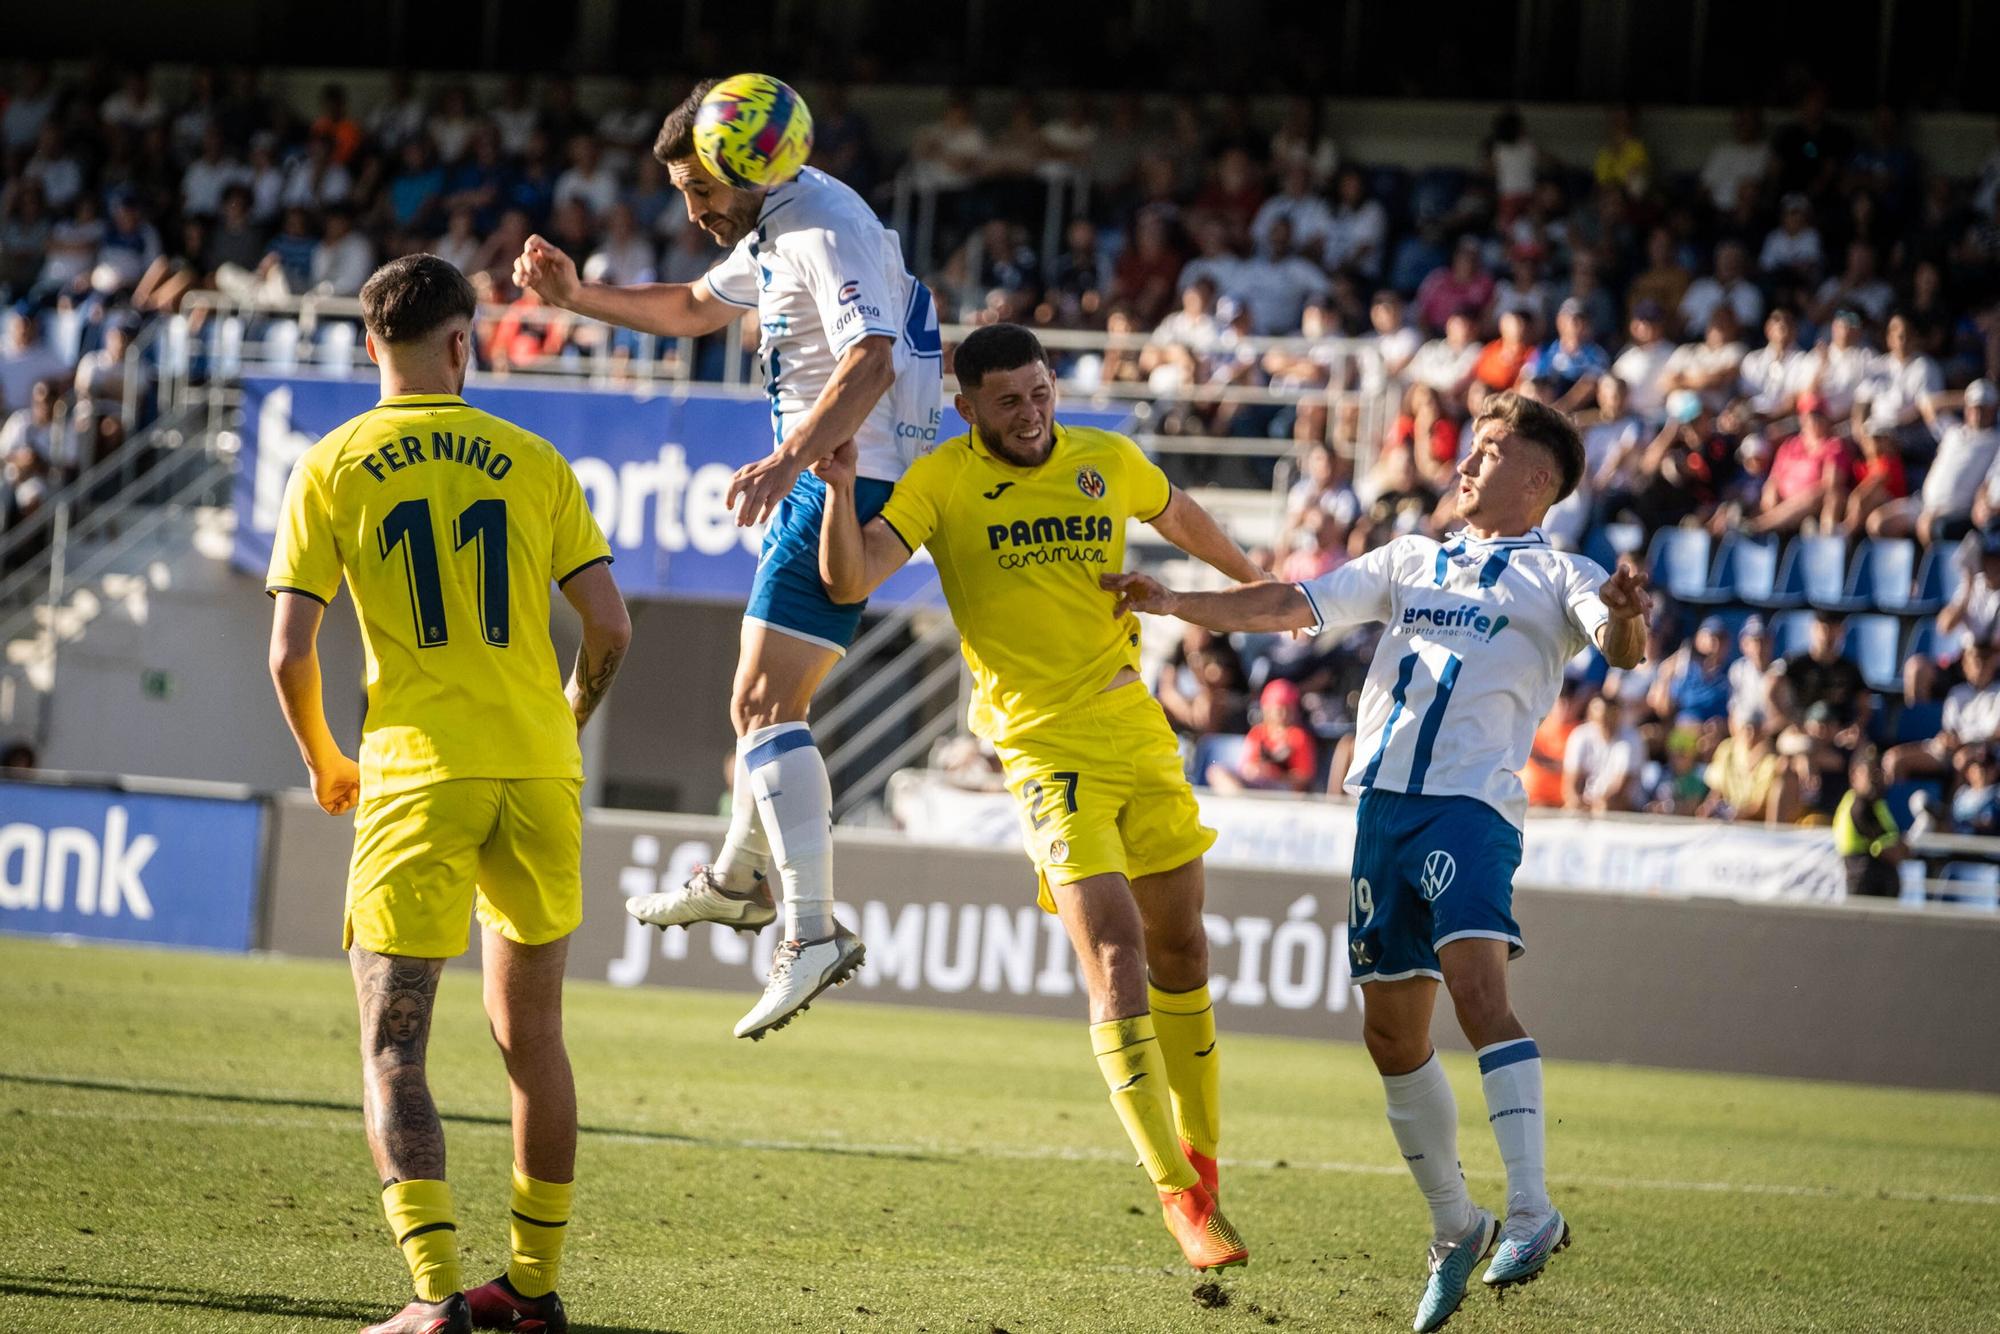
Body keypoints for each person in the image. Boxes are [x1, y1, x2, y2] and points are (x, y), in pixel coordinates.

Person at [1104, 391, 1650, 1330]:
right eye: (1471, 449)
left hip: (1470, 809)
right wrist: (1170, 600)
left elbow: (1623, 646)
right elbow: (1292, 604)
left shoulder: (1565, 573)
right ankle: (1455, 1225)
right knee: (1392, 1037)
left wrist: (1631, 617)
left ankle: (1531, 1210)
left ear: (1537, 478)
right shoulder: (1410, 558)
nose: (1466, 465)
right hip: (1380, 812)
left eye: (1487, 451)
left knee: (1478, 993)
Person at [817, 323, 1267, 1272]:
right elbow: (849, 576)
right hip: (1042, 751)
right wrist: (835, 488)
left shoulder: (1104, 458)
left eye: (1041, 393)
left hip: (1135, 726)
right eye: (1009, 401)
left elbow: (1180, 514)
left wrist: (1257, 585)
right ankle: (1177, 1197)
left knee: (1185, 945)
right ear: (967, 404)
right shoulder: (940, 482)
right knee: (1117, 953)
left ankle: (1203, 1166)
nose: (1031, 415)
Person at [514, 79, 943, 1040]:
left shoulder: (819, 222)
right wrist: (577, 296)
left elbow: (869, 358)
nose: (694, 214)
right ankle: (743, 882)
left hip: (844, 474)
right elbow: (693, 309)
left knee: (757, 708)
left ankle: (809, 929)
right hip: (841, 472)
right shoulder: (781, 219)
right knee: (765, 712)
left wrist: (790, 461)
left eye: (700, 193)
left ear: (745, 166)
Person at [264, 255, 630, 1334]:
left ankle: (432, 1296)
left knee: (394, 1046)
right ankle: (529, 1285)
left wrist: (330, 759)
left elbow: (289, 649)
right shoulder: (530, 457)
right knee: (534, 1039)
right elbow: (609, 625)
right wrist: (564, 716)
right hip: (537, 770)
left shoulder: (331, 464)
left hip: (419, 774)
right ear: (463, 343)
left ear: (372, 342)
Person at [1208, 679, 1318, 793]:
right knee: (1217, 772)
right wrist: (1258, 771)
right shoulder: (1258, 733)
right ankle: (1241, 802)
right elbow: (1246, 768)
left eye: (1287, 709)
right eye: (1278, 710)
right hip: (1255, 786)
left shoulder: (1299, 736)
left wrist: (1274, 774)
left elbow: (1303, 778)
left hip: (1281, 790)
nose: (1283, 715)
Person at [1833, 749, 1903, 897]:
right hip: (1866, 885)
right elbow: (1889, 851)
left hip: (1875, 884)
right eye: (1870, 773)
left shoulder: (1875, 803)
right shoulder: (1860, 806)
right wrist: (1902, 847)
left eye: (1879, 773)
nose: (1875, 779)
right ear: (1854, 775)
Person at [1562, 694, 1642, 813]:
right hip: (1589, 804)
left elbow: (1621, 789)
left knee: (1606, 807)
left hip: (1624, 806)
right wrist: (1576, 801)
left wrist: (1598, 805)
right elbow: (1570, 784)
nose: (1605, 720)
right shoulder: (1579, 735)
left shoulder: (1631, 739)